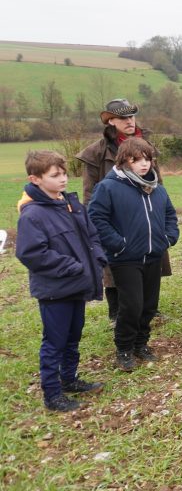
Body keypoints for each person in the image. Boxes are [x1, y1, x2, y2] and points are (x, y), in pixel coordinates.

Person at [16, 150, 107, 412]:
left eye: (64, 173)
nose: (63, 179)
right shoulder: (32, 215)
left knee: (73, 336)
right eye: (55, 175)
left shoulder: (71, 204)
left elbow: (92, 235)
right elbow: (31, 253)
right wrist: (71, 266)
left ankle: (69, 379)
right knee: (54, 341)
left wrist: (97, 257)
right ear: (35, 179)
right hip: (56, 291)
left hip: (78, 285)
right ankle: (52, 394)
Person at [87, 138, 179, 372]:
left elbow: (169, 214)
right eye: (136, 159)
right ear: (124, 161)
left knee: (149, 305)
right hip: (126, 258)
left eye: (147, 159)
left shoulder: (157, 188)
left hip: (153, 255)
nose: (143, 164)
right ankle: (124, 348)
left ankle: (141, 344)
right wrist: (119, 244)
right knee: (132, 305)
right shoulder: (108, 187)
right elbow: (97, 218)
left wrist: (168, 238)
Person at [76, 98, 164, 324]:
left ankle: (147, 308)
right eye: (124, 118)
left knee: (149, 262)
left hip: (143, 213)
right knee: (112, 269)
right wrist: (95, 227)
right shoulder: (96, 152)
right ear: (111, 121)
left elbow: (158, 182)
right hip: (112, 217)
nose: (130, 121)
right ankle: (115, 312)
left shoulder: (145, 145)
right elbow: (89, 193)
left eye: (132, 116)